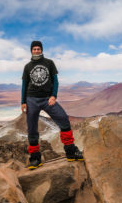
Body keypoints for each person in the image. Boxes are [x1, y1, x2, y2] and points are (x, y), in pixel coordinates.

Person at [21, 41, 83, 169]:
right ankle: (35, 159)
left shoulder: (49, 63)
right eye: (34, 49)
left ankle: (70, 151)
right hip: (31, 99)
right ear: (31, 51)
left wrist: (54, 96)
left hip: (47, 99)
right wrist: (23, 101)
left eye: (38, 49)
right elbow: (24, 85)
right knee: (32, 129)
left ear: (42, 50)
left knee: (64, 120)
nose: (36, 51)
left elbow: (55, 81)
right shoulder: (27, 66)